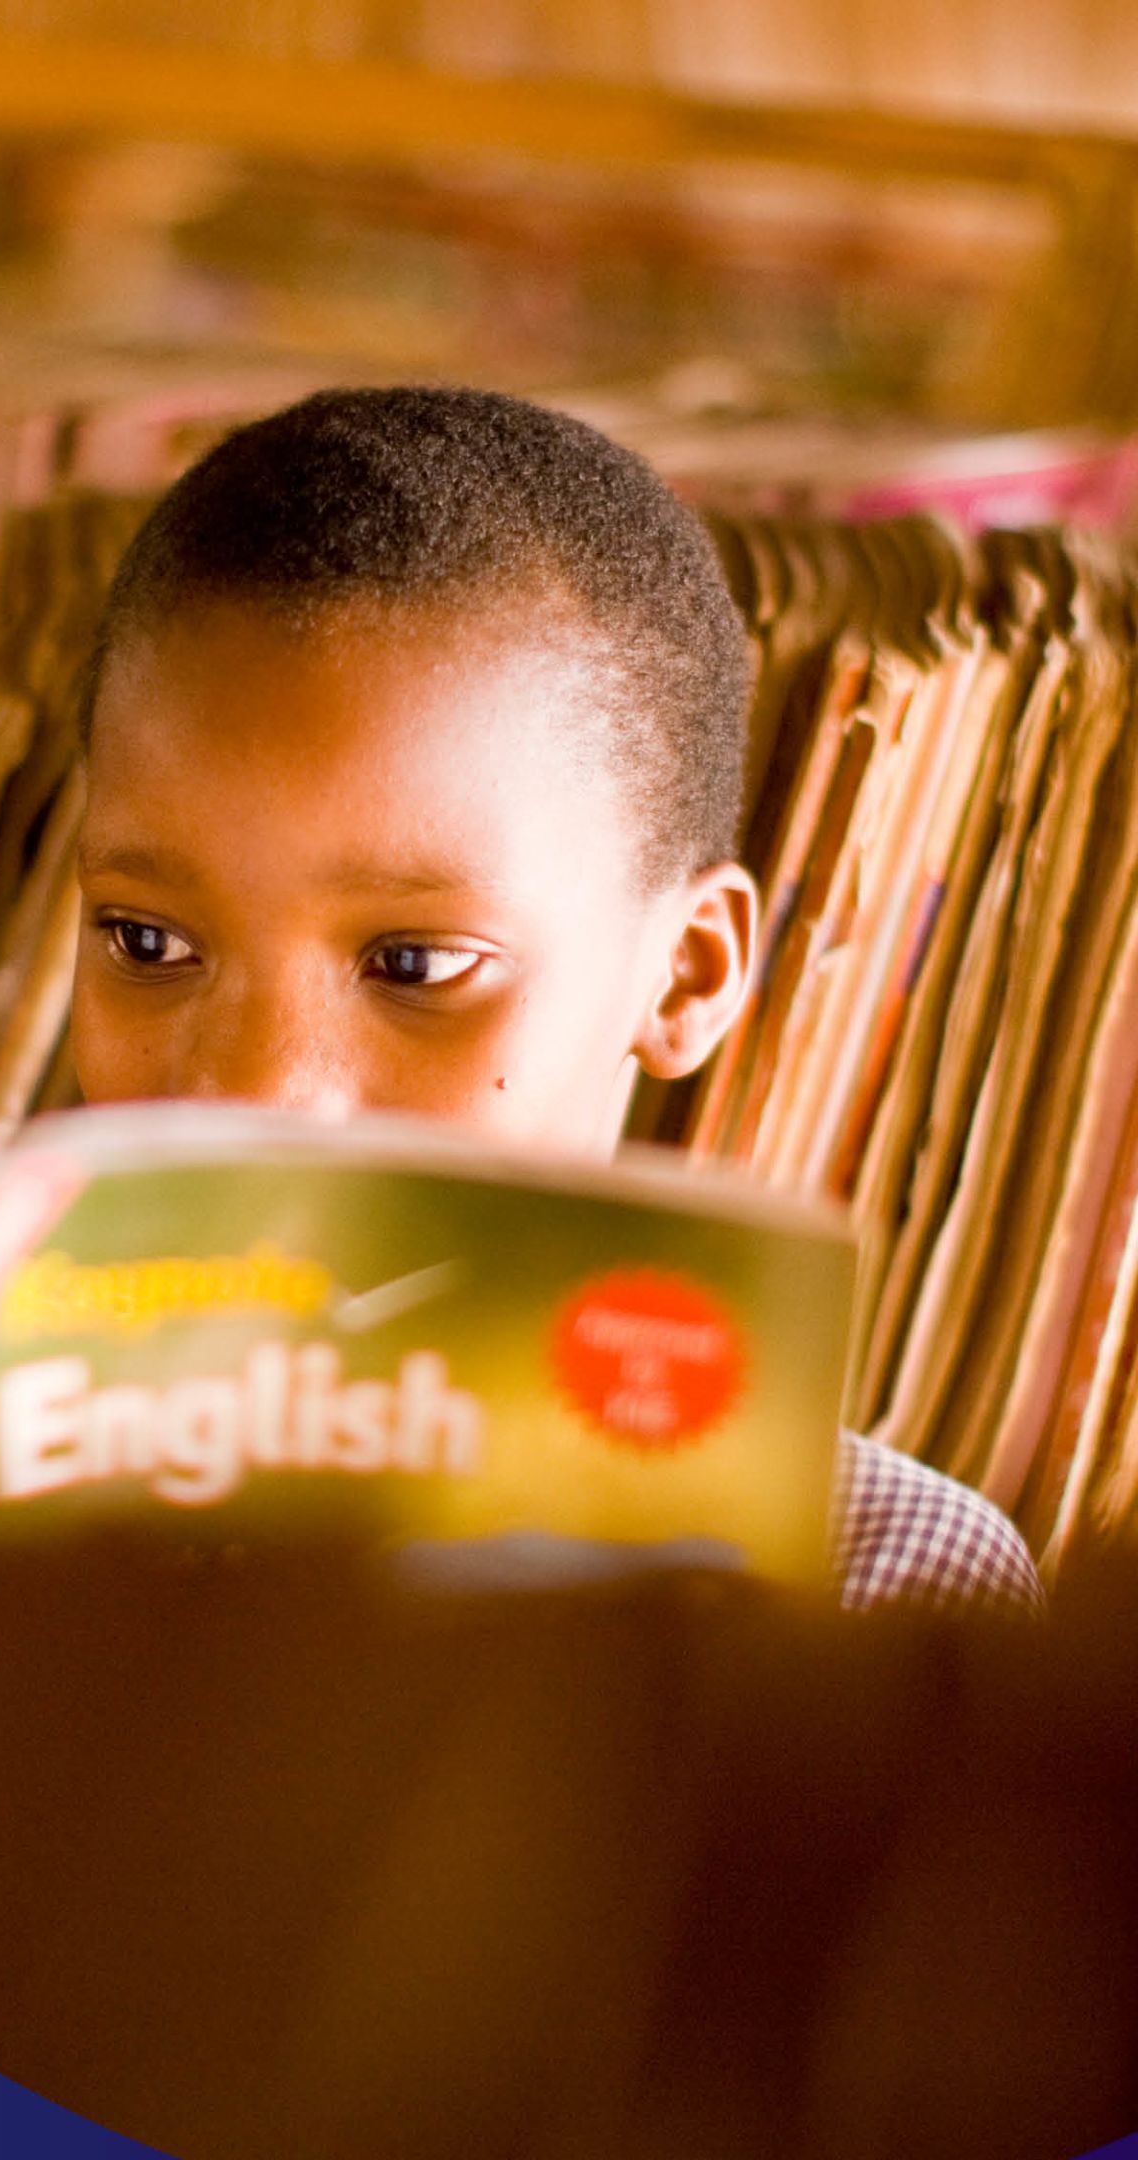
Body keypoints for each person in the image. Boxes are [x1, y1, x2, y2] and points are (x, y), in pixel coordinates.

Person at [52, 383, 1036, 1615]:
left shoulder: (867, 1585)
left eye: (412, 966)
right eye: (146, 942)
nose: (250, 1092)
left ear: (685, 973)